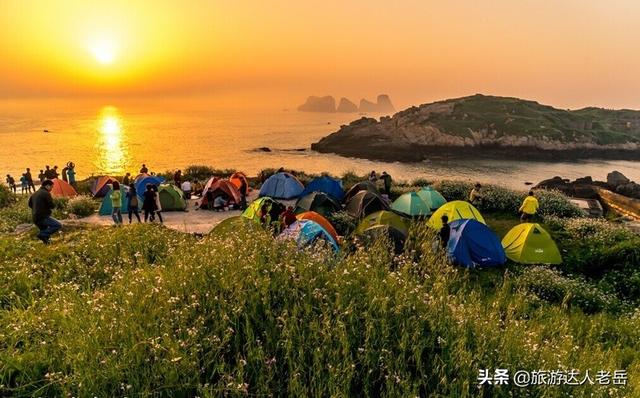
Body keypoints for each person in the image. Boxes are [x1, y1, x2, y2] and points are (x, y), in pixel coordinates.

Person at [28, 179, 61, 244]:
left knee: (45, 232)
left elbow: (29, 204)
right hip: (42, 217)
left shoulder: (34, 194)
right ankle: (41, 234)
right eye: (51, 187)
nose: (51, 189)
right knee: (57, 225)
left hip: (35, 217)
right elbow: (51, 205)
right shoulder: (46, 193)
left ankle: (47, 243)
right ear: (47, 186)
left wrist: (37, 208)